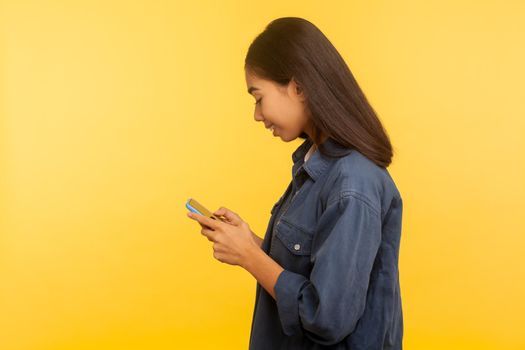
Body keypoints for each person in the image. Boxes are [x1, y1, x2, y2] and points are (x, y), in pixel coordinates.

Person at [187, 16, 403, 349]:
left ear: (298, 87)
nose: (257, 115)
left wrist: (249, 256)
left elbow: (327, 318)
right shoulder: (316, 165)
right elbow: (312, 271)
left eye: (258, 98)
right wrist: (254, 244)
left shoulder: (353, 184)